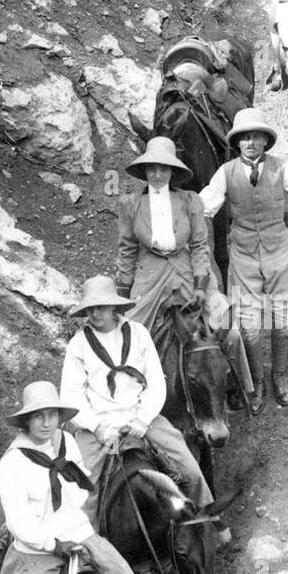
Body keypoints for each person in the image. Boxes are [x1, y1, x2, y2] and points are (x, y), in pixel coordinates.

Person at [0, 381, 146, 574]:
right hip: (38, 553)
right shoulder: (12, 464)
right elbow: (19, 523)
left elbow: (80, 488)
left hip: (80, 536)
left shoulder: (67, 442)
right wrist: (53, 542)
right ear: (26, 421)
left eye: (52, 415)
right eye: (38, 416)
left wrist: (74, 528)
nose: (47, 423)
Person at [199, 108, 288, 415]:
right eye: (244, 137)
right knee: (248, 327)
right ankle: (256, 380)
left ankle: (280, 375)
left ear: (265, 141)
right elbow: (203, 207)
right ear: (237, 142)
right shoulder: (226, 173)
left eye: (256, 136)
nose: (250, 142)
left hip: (280, 254)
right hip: (244, 257)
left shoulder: (282, 168)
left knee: (284, 320)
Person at [59, 274, 216, 516]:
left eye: (100, 307)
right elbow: (71, 395)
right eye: (89, 309)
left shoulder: (138, 333)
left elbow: (155, 381)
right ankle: (88, 549)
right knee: (81, 491)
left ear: (114, 306)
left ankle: (210, 522)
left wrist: (142, 420)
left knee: (189, 469)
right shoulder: (78, 345)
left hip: (142, 419)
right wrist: (98, 427)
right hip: (99, 428)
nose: (95, 314)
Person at [115, 135, 254, 400]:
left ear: (172, 171)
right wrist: (122, 295)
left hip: (189, 274)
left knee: (228, 327)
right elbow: (127, 251)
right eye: (152, 168)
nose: (157, 174)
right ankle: (134, 400)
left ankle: (235, 387)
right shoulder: (130, 205)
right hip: (149, 280)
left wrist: (202, 286)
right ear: (145, 170)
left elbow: (201, 246)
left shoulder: (190, 201)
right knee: (128, 338)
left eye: (163, 168)